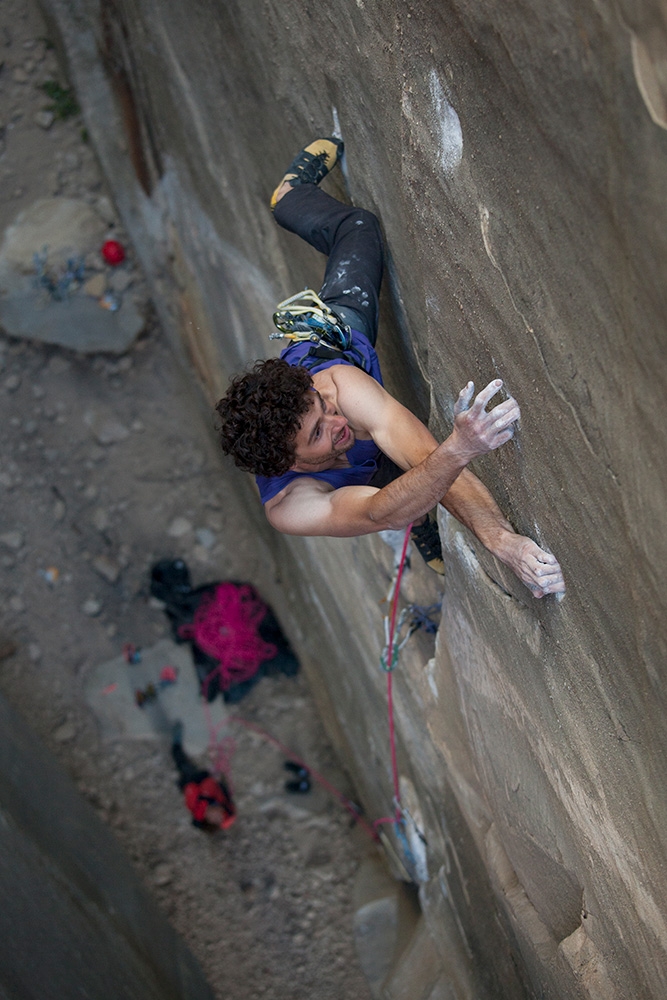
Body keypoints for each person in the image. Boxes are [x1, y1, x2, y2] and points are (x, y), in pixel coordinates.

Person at [216, 139, 564, 599]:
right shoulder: (290, 505)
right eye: (317, 434)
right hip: (368, 491)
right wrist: (457, 451)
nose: (338, 422)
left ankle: (291, 198)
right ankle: (421, 523)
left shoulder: (337, 384)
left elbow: (426, 456)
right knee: (399, 495)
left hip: (334, 342)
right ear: (288, 463)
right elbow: (378, 513)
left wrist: (502, 541)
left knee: (359, 226)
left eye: (322, 408)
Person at [171, 722, 236, 831]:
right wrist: (218, 780)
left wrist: (204, 791)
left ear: (206, 816)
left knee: (183, 764)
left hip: (193, 782)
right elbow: (225, 793)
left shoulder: (196, 806)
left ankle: (176, 744)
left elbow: (190, 788)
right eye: (220, 817)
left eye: (215, 818)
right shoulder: (226, 810)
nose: (219, 815)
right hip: (208, 781)